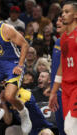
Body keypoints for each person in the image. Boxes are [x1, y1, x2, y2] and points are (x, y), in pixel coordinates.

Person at [48, 1, 77, 135]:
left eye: (67, 12)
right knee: (68, 128)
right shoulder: (64, 38)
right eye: (62, 12)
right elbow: (61, 67)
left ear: (76, 15)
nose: (63, 15)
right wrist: (53, 92)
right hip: (65, 88)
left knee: (70, 127)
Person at [49, 15, 66, 135]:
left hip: (69, 92)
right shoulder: (58, 42)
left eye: (61, 20)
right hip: (58, 92)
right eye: (57, 20)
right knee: (61, 128)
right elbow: (56, 69)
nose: (57, 22)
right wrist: (52, 90)